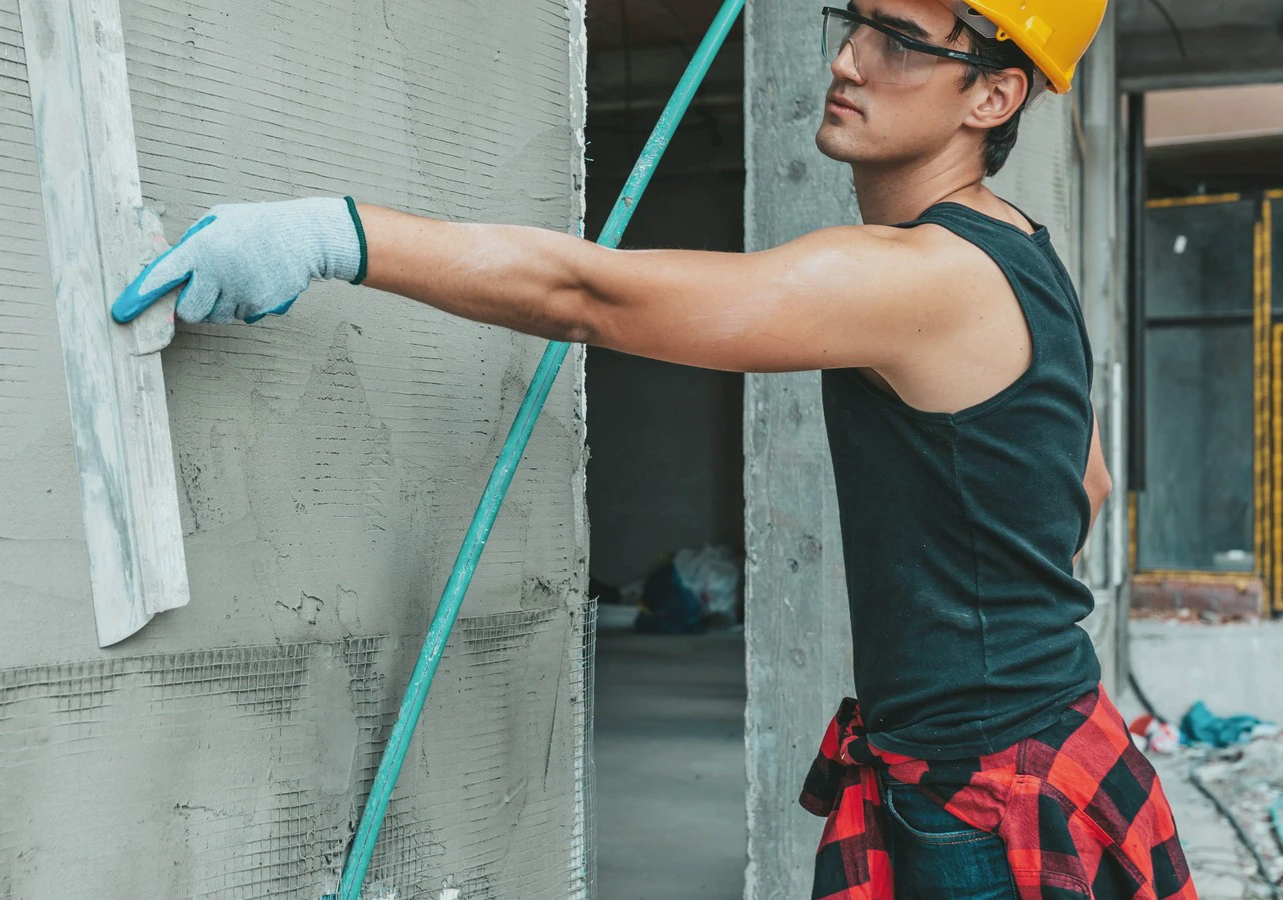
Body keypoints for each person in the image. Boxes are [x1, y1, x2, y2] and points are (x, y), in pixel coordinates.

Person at [112, 0, 1194, 896]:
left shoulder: (923, 277)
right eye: (853, 19)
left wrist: (327, 235)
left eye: (901, 40)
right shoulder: (1016, 249)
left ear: (993, 95)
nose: (849, 57)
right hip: (1046, 735)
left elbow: (591, 293)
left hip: (984, 799)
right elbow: (1083, 483)